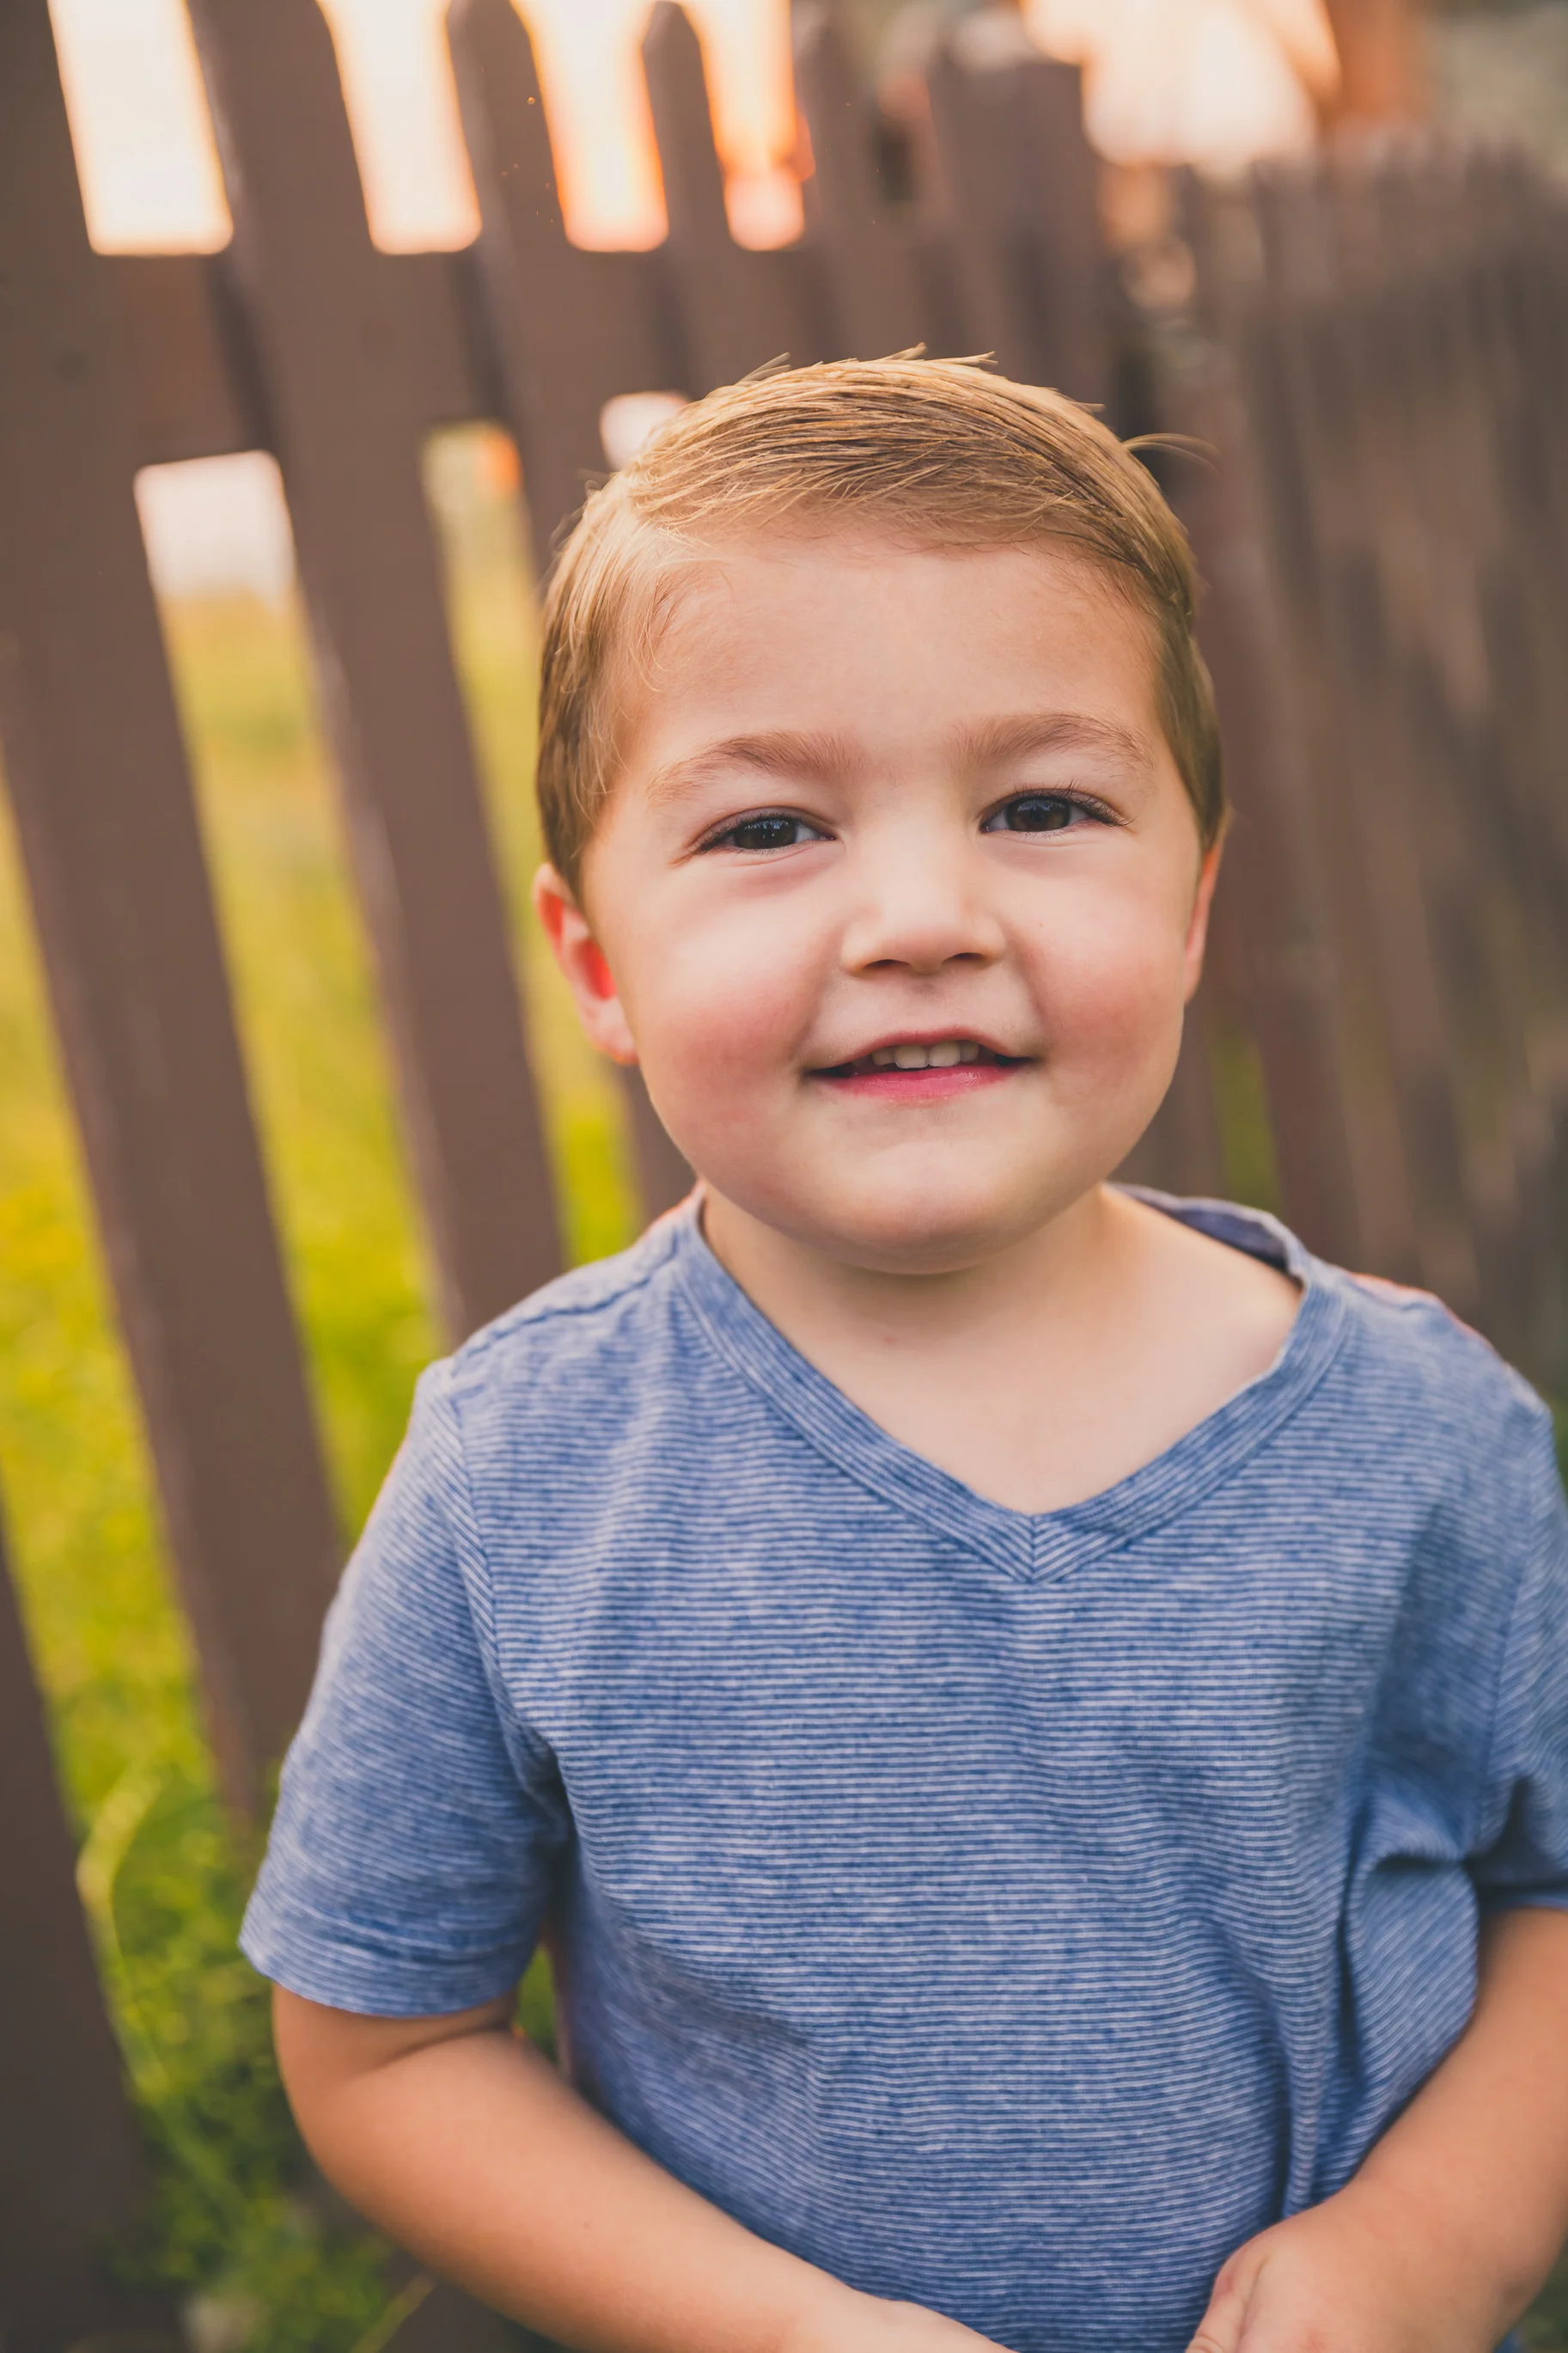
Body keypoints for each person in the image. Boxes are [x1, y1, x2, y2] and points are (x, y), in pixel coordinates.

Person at [241, 357, 1568, 2353]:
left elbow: (1550, 1895)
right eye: (771, 825)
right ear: (597, 961)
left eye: (1043, 808)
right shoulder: (529, 1472)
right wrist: (778, 2330)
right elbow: (385, 2043)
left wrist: (1433, 2245)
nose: (924, 916)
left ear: (1193, 903)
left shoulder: (1420, 1438)